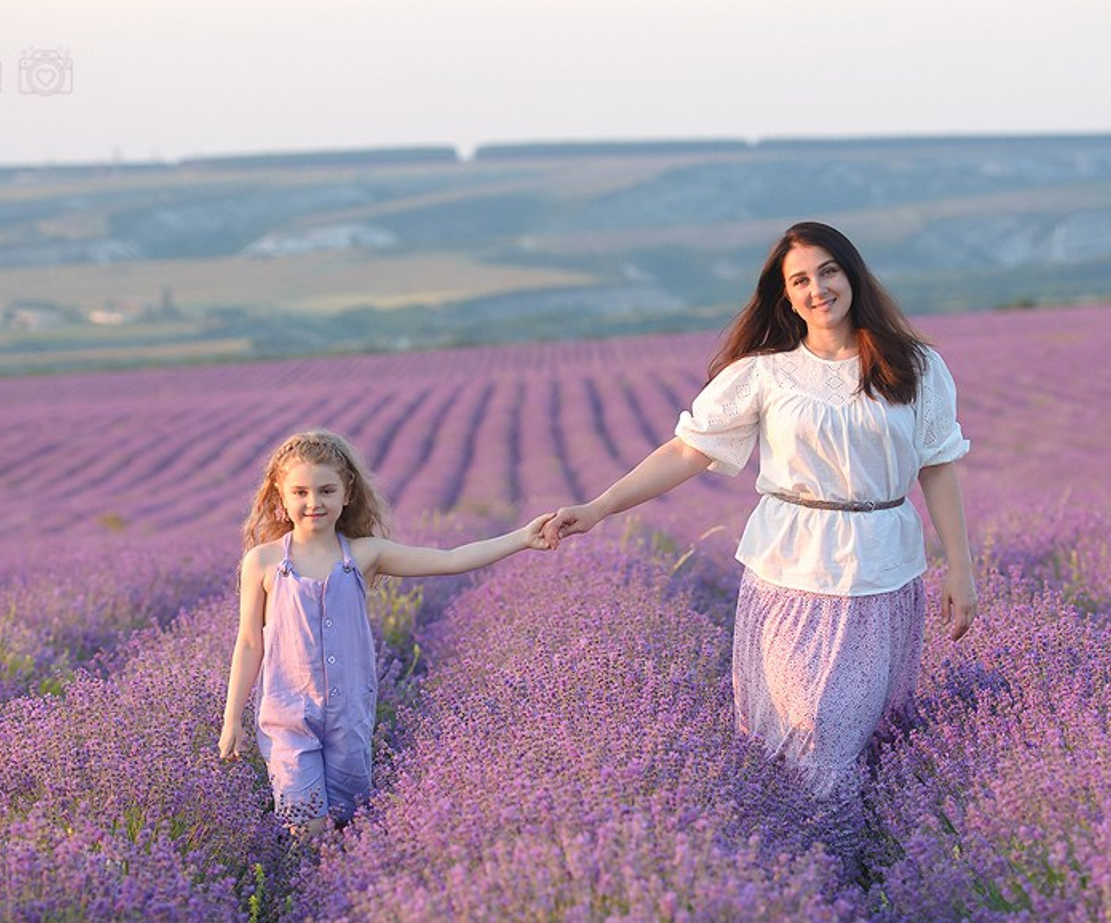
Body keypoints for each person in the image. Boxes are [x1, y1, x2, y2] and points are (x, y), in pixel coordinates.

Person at [544, 221, 976, 802]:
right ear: (786, 297)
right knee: (811, 728)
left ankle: (850, 846)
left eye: (828, 271)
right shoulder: (763, 373)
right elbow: (687, 451)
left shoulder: (915, 367)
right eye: (800, 280)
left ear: (853, 276)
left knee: (858, 734)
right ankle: (812, 844)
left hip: (882, 572)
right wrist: (599, 507)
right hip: (789, 574)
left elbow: (938, 466)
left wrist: (961, 568)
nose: (817, 289)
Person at [220, 429, 554, 830]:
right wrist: (232, 719)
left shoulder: (365, 554)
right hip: (287, 717)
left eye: (326, 491)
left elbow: (450, 559)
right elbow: (249, 642)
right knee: (307, 826)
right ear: (280, 494)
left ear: (347, 492)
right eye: (300, 492)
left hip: (349, 717)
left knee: (347, 822)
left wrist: (522, 537)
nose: (313, 503)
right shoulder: (264, 561)